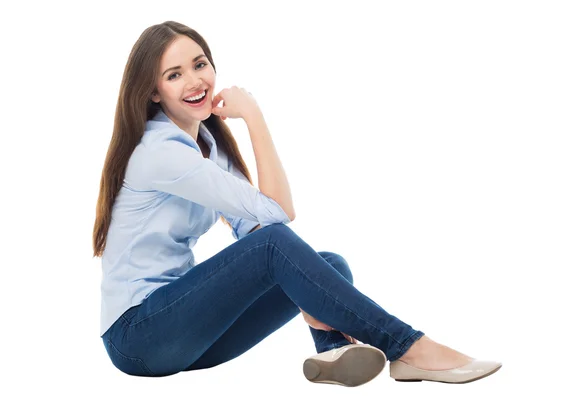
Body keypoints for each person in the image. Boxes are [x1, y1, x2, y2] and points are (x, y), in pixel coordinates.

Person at [92, 21, 502, 385]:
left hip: (188, 341)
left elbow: (256, 225)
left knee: (329, 266)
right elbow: (277, 219)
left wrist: (285, 258)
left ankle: (333, 351)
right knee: (278, 248)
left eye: (200, 65)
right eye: (174, 74)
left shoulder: (206, 147)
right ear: (153, 92)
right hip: (139, 337)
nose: (195, 81)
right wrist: (253, 116)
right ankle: (409, 347)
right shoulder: (159, 151)